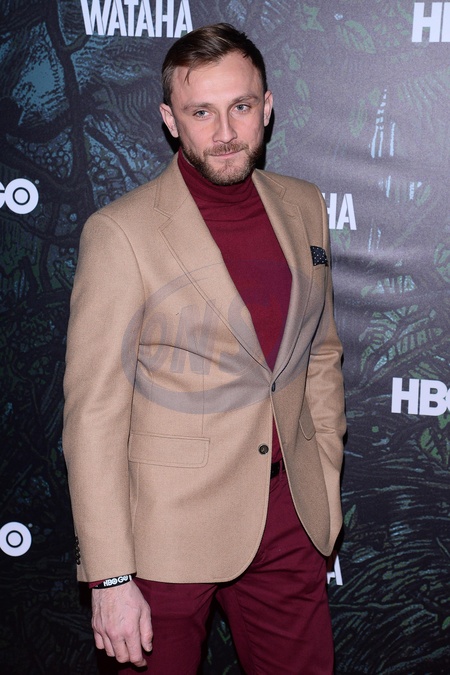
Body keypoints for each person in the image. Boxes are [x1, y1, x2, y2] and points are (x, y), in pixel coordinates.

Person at [63, 23, 346, 675]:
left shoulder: (304, 205)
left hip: (288, 521)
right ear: (170, 119)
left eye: (240, 106)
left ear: (267, 107)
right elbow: (94, 415)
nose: (224, 131)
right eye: (200, 112)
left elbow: (321, 351)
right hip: (164, 538)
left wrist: (323, 471)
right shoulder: (120, 232)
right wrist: (110, 576)